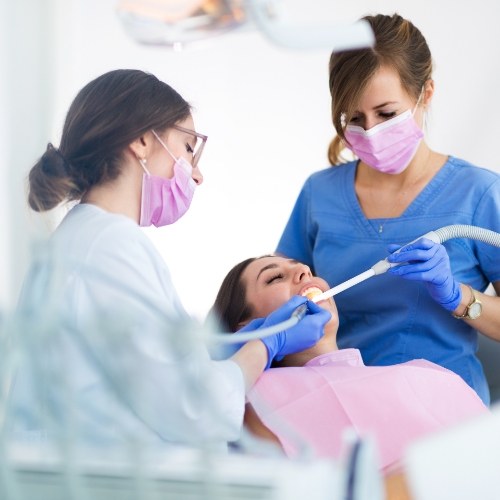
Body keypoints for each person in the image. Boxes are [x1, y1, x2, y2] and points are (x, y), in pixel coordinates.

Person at [9, 69, 330, 451]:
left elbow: (153, 380)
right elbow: (193, 408)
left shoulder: (83, 238)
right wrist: (269, 342)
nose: (196, 175)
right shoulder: (111, 245)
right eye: (188, 148)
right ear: (143, 141)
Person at [275, 13, 500, 406]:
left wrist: (457, 296)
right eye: (355, 118)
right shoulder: (319, 194)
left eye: (387, 113)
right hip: (339, 408)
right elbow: (276, 302)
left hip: (441, 416)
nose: (371, 131)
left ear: (426, 93)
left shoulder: (477, 194)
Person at [210, 255, 488, 474]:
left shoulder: (429, 378)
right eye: (275, 277)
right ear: (244, 328)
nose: (305, 272)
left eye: (302, 268)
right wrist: (259, 346)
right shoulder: (241, 403)